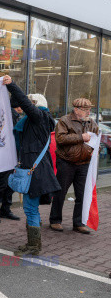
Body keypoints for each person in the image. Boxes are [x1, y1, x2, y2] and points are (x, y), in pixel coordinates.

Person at [3, 76, 61, 256]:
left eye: (30, 104)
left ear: (36, 105)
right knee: (30, 207)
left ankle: (34, 246)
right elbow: (17, 103)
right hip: (32, 170)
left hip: (35, 172)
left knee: (30, 208)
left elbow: (24, 104)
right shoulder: (33, 121)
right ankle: (32, 243)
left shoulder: (41, 117)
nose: (23, 108)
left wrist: (11, 85)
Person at [49, 98, 99, 234]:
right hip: (66, 162)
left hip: (84, 164)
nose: (89, 112)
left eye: (89, 109)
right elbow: (60, 139)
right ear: (76, 109)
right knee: (60, 193)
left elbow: (95, 139)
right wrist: (80, 137)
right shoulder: (65, 121)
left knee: (82, 194)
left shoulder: (92, 122)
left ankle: (79, 223)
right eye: (85, 109)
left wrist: (96, 149)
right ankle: (55, 220)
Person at [0, 97, 23, 223]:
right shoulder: (11, 116)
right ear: (18, 106)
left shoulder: (12, 116)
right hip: (10, 155)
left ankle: (0, 210)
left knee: (6, 183)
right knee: (4, 183)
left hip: (10, 155)